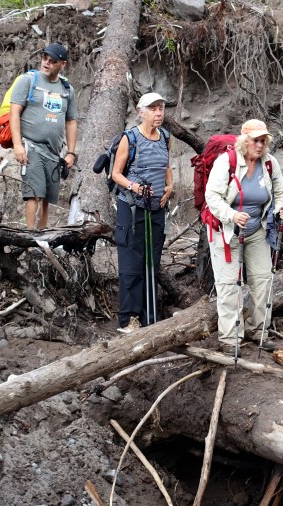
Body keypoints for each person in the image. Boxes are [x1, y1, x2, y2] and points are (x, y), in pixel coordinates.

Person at [205, 119, 283, 354]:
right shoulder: (227, 162)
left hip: (256, 231)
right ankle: (230, 339)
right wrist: (232, 215)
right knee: (229, 285)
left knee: (263, 279)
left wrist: (280, 209)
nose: (260, 145)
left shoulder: (270, 164)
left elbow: (279, 192)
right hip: (226, 232)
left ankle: (257, 330)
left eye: (263, 141)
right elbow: (212, 196)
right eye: (255, 140)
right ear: (244, 141)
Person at [110, 93, 174, 333]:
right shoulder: (130, 138)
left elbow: (166, 167)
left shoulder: (166, 137)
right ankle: (129, 319)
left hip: (157, 206)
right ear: (141, 111)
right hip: (132, 206)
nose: (158, 113)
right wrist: (134, 187)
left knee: (152, 260)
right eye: (153, 108)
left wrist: (170, 187)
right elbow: (116, 173)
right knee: (131, 260)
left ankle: (151, 317)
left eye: (161, 108)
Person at [9, 43, 79, 229]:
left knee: (48, 196)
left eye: (52, 61)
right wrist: (17, 144)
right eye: (44, 58)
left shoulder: (67, 89)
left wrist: (71, 152)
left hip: (55, 151)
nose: (46, 63)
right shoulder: (28, 81)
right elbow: (14, 112)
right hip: (31, 145)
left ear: (62, 64)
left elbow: (71, 121)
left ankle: (42, 235)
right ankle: (31, 235)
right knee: (33, 192)